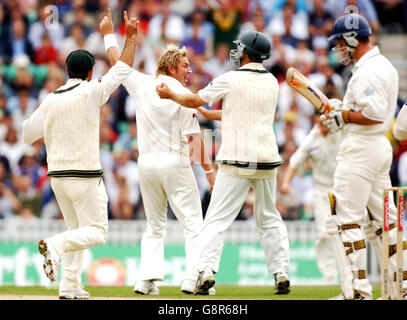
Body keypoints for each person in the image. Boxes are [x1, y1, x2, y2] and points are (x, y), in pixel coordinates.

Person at [156, 30, 291, 296]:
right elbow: (245, 114)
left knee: (216, 220)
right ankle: (281, 272)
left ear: (248, 52)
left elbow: (193, 99)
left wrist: (171, 95)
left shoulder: (231, 78)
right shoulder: (273, 82)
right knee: (269, 218)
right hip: (266, 159)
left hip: (237, 160)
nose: (237, 52)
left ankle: (205, 272)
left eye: (241, 48)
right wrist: (211, 113)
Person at [21, 11, 139, 300]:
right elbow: (123, 69)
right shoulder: (91, 91)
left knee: (76, 230)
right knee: (97, 231)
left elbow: (26, 134)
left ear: (67, 70)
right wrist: (129, 36)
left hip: (57, 178)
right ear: (89, 73)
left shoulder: (51, 98)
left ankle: (69, 285)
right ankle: (55, 246)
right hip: (84, 176)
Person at [100, 9, 216, 295]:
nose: (190, 71)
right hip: (175, 164)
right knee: (193, 224)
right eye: (186, 65)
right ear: (173, 66)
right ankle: (194, 279)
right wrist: (210, 174)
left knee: (154, 226)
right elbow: (195, 140)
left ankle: (147, 280)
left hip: (146, 165)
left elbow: (118, 64)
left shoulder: (141, 83)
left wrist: (108, 35)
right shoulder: (181, 95)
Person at [320, 13, 407, 300]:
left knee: (346, 220)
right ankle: (399, 289)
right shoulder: (383, 66)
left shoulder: (368, 70)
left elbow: (373, 113)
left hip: (361, 151)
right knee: (385, 224)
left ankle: (357, 292)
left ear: (353, 39)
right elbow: (369, 111)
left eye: (340, 43)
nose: (339, 49)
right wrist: (342, 112)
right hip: (377, 148)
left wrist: (342, 115)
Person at [280, 114, 340, 285]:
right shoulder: (311, 139)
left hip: (343, 187)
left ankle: (353, 276)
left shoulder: (340, 131)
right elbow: (294, 162)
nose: (324, 127)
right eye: (320, 123)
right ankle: (330, 280)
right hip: (322, 190)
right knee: (324, 233)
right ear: (315, 121)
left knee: (347, 233)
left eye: (326, 123)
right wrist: (285, 183)